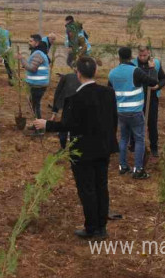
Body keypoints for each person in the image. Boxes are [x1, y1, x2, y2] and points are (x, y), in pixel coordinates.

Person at [33, 56, 117, 239]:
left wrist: (46, 124)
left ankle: (91, 228)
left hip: (83, 152)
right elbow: (113, 121)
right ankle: (101, 227)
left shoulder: (75, 98)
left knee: (87, 189)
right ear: (95, 71)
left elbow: (68, 125)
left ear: (78, 74)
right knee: (101, 186)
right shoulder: (109, 93)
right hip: (103, 148)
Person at [107, 47, 158, 180]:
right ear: (131, 57)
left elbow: (109, 91)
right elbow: (153, 82)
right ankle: (138, 169)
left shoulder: (112, 73)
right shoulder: (136, 71)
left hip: (121, 112)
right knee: (139, 139)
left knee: (124, 138)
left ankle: (122, 166)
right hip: (135, 112)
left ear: (119, 57)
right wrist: (152, 69)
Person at [131, 46, 165, 158]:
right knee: (135, 122)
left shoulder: (155, 63)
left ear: (149, 53)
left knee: (152, 123)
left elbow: (164, 78)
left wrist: (158, 86)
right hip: (136, 98)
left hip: (152, 98)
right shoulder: (132, 64)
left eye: (144, 55)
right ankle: (133, 144)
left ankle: (154, 147)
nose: (142, 58)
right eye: (140, 55)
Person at [17, 35, 51, 119]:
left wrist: (22, 59)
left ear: (37, 43)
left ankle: (39, 128)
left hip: (38, 85)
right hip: (36, 84)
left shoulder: (38, 54)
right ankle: (36, 125)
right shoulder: (37, 53)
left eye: (31, 41)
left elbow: (32, 68)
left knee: (35, 107)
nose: (29, 43)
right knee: (35, 105)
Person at [0, 21, 14, 85]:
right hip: (6, 50)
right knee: (8, 66)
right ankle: (11, 81)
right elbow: (9, 41)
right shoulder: (6, 31)